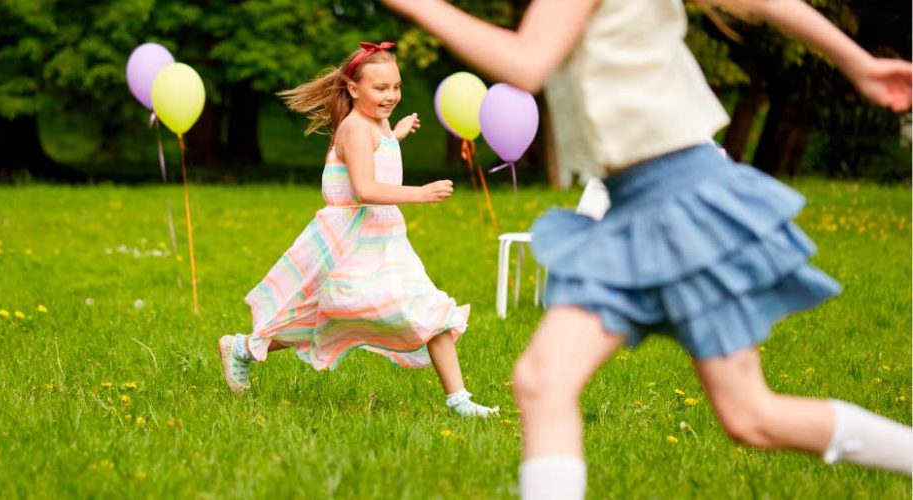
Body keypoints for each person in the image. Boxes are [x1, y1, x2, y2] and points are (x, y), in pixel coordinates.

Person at [379, 0, 913, 496]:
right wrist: (858, 62)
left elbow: (526, 63)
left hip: (683, 200)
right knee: (739, 414)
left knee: (732, 412)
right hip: (634, 208)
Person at [218, 42, 497, 418]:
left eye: (396, 87)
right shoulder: (353, 128)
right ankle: (243, 347)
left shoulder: (376, 123)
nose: (391, 96)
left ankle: (459, 401)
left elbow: (378, 148)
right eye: (380, 89)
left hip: (384, 239)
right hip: (349, 239)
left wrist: (395, 133)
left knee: (432, 310)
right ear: (354, 89)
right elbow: (365, 188)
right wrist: (421, 193)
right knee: (326, 314)